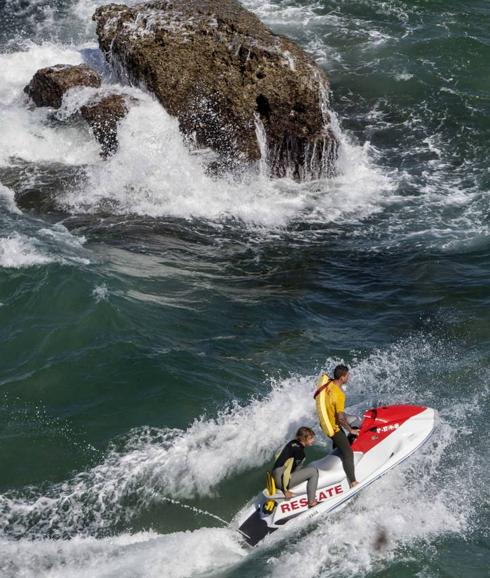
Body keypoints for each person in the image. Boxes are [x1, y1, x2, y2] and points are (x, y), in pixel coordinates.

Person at [314, 364, 359, 488]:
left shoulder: (328, 384)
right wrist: (351, 430)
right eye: (347, 375)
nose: (349, 377)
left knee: (343, 441)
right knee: (348, 452)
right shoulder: (339, 394)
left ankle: (338, 460)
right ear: (342, 378)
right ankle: (353, 482)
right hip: (333, 427)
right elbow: (340, 418)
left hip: (325, 423)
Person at [272, 426, 319, 508]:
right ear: (304, 439)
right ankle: (311, 502)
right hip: (281, 481)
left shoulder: (292, 443)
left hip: (275, 476)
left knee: (303, 469)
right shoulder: (300, 453)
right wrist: (285, 490)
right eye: (311, 438)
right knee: (313, 472)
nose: (313, 440)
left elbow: (279, 459)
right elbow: (286, 472)